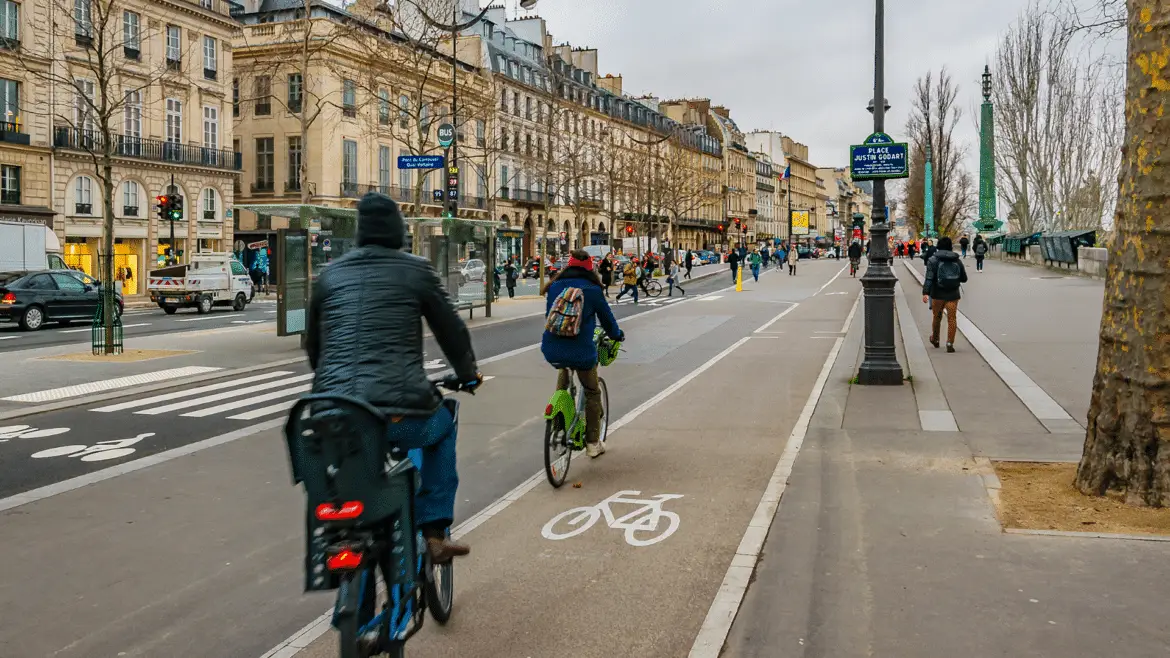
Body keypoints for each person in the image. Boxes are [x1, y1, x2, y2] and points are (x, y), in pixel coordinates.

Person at [306, 192, 481, 564]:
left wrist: (331, 387)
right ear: (398, 231)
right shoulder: (415, 270)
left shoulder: (330, 274)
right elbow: (452, 332)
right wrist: (468, 374)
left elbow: (315, 346)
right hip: (400, 414)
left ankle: (347, 562)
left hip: (331, 414)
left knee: (346, 462)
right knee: (443, 425)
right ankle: (434, 529)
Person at [541, 251, 624, 458]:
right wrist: (617, 335)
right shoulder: (593, 290)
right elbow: (607, 321)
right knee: (592, 392)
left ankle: (560, 413)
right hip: (582, 351)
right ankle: (593, 443)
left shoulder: (554, 286)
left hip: (552, 349)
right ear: (589, 268)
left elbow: (549, 317)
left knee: (564, 368)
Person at [921, 236, 968, 353]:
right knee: (952, 318)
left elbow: (929, 278)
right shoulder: (957, 260)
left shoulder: (933, 260)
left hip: (937, 293)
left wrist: (925, 292)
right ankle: (950, 342)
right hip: (953, 293)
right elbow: (964, 278)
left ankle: (936, 339)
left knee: (937, 317)